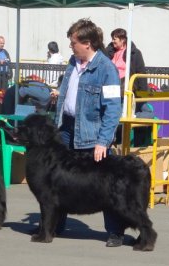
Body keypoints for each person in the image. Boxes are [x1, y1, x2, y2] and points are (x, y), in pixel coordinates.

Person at [54, 18, 123, 247]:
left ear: (88, 43)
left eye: (73, 42)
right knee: (60, 180)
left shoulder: (106, 69)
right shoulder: (73, 63)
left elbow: (113, 108)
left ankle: (115, 231)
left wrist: (103, 141)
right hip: (66, 129)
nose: (70, 46)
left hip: (91, 135)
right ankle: (55, 224)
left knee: (104, 186)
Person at [106, 27, 147, 111]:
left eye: (115, 39)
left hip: (124, 86)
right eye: (112, 39)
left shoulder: (134, 53)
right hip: (111, 85)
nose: (112, 41)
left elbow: (141, 71)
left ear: (122, 40)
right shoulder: (110, 52)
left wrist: (143, 92)